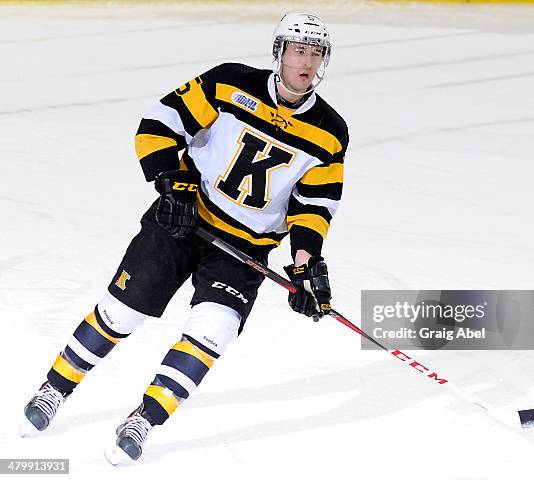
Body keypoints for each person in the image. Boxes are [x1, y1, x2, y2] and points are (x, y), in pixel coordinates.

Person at [21, 12, 348, 465]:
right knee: (121, 312)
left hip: (244, 250)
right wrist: (172, 182)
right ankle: (55, 388)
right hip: (182, 221)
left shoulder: (331, 131)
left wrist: (305, 265)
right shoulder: (228, 83)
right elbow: (158, 124)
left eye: (315, 53)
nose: (306, 63)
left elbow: (312, 205)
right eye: (298, 51)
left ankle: (145, 419)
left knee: (212, 330)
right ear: (278, 53)